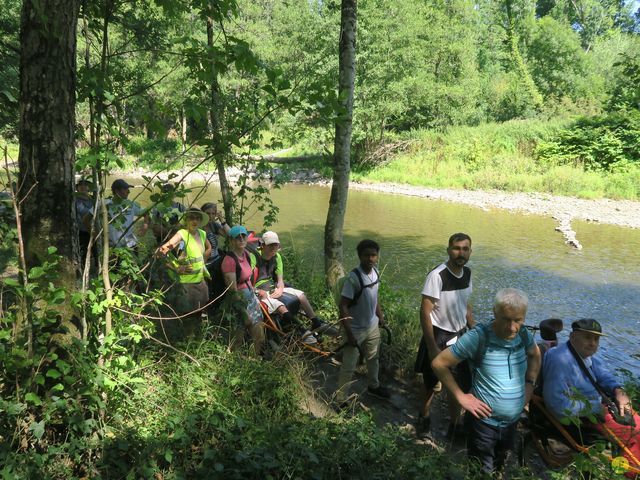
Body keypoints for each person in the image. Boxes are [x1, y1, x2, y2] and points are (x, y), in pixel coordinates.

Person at [432, 288, 541, 474]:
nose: (512, 327)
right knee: (481, 472)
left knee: (500, 467)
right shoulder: (479, 337)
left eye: (518, 320)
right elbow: (439, 363)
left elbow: (535, 354)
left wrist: (530, 383)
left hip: (511, 423)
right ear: (494, 312)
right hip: (483, 425)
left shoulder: (523, 334)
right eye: (506, 319)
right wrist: (461, 397)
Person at [542, 318, 639, 473]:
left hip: (600, 408)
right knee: (635, 437)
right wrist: (596, 407)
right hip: (585, 418)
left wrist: (619, 391)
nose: (593, 343)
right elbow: (557, 405)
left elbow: (605, 376)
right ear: (573, 337)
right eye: (587, 337)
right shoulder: (559, 361)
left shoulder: (585, 355)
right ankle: (628, 473)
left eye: (596, 338)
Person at [414, 232, 475, 438]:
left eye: (465, 249)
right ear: (449, 250)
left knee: (457, 385)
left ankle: (455, 426)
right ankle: (424, 417)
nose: (461, 253)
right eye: (457, 248)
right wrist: (432, 347)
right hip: (439, 336)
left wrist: (474, 328)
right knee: (430, 384)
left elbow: (465, 304)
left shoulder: (467, 273)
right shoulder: (437, 275)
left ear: (470, 252)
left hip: (461, 337)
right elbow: (425, 311)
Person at [254, 231, 337, 343]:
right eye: (270, 245)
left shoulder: (277, 257)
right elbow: (246, 281)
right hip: (259, 292)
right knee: (280, 306)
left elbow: (280, 280)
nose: (274, 248)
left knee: (301, 295)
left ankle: (316, 322)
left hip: (273, 288)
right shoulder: (254, 257)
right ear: (263, 245)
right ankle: (302, 330)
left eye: (276, 245)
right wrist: (258, 291)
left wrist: (280, 289)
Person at [336, 239, 390, 405]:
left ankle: (374, 386)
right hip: (355, 329)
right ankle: (340, 399)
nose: (371, 259)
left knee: (373, 358)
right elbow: (343, 306)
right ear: (360, 256)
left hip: (372, 325)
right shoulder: (354, 278)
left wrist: (380, 317)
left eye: (373, 255)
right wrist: (350, 333)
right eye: (367, 255)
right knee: (349, 366)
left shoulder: (375, 273)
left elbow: (374, 297)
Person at [157, 208, 212, 321]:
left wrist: (203, 262)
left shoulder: (202, 233)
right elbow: (160, 252)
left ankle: (196, 337)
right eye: (191, 217)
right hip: (185, 285)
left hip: (200, 282)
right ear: (186, 220)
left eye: (197, 218)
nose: (194, 221)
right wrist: (176, 267)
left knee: (199, 316)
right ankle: (184, 337)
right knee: (186, 318)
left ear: (201, 221)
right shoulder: (182, 234)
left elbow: (209, 248)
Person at [222, 225, 265, 356]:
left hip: (250, 297)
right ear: (231, 241)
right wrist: (244, 312)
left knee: (258, 329)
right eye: (237, 237)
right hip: (239, 303)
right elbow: (232, 290)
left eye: (243, 236)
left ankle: (257, 358)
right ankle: (236, 361)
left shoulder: (246, 254)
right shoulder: (229, 260)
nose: (241, 239)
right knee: (238, 334)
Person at [105, 179, 149, 250]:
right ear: (117, 191)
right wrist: (99, 237)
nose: (128, 191)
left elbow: (146, 212)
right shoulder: (105, 205)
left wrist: (145, 226)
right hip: (113, 244)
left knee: (135, 260)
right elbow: (87, 219)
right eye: (125, 189)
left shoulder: (130, 204)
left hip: (130, 242)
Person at [75, 179, 95, 267]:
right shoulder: (75, 200)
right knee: (83, 252)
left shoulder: (93, 199)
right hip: (82, 231)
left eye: (86, 185)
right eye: (81, 185)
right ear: (77, 188)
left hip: (95, 230)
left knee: (96, 251)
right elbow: (82, 211)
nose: (83, 187)